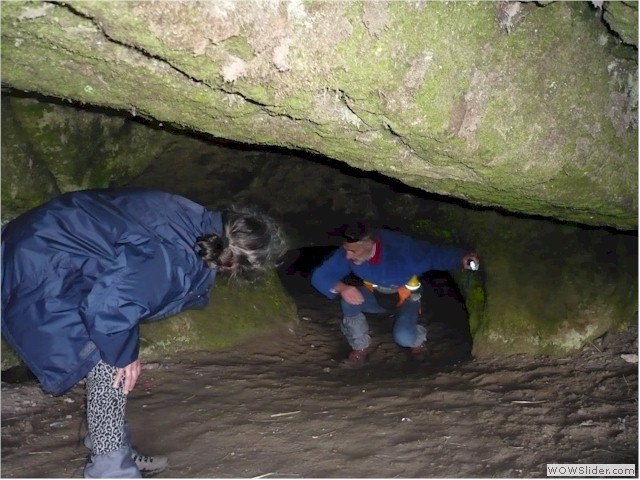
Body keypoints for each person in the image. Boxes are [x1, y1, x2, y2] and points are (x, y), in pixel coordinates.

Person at [1, 188, 287, 478]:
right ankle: (110, 464)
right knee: (110, 360)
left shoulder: (195, 221)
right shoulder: (176, 260)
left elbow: (126, 282)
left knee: (117, 347)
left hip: (45, 246)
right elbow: (109, 311)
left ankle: (108, 439)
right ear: (235, 265)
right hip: (38, 265)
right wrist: (124, 356)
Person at [311, 222, 479, 367]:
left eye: (353, 251)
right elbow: (321, 275)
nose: (348, 255)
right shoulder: (349, 252)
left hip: (404, 299)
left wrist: (461, 258)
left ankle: (417, 342)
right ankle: (359, 347)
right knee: (348, 301)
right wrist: (343, 288)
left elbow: (434, 254)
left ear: (369, 244)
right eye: (346, 250)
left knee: (403, 337)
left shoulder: (402, 249)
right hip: (374, 295)